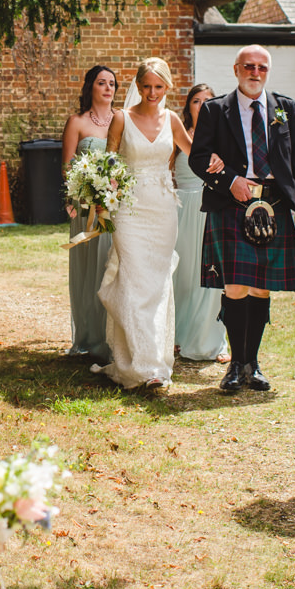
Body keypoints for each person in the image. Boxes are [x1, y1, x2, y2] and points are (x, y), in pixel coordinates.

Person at [188, 45, 295, 393]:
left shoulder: (284, 108)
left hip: (273, 203)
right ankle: (234, 365)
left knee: (261, 285)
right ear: (236, 69)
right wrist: (230, 180)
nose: (255, 72)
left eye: (262, 67)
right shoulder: (216, 110)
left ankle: (253, 363)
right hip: (231, 204)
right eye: (249, 66)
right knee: (235, 286)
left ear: (267, 71)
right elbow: (198, 157)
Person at [95, 57, 199, 389]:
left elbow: (194, 153)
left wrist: (220, 156)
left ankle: (153, 363)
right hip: (129, 209)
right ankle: (141, 366)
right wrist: (101, 197)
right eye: (146, 86)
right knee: (135, 279)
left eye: (159, 86)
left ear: (167, 87)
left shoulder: (171, 120)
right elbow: (109, 162)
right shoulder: (121, 118)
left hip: (163, 209)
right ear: (137, 86)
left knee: (157, 283)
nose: (152, 92)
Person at [60, 65, 117, 360]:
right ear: (90, 88)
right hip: (86, 208)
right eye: (101, 83)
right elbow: (68, 165)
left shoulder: (122, 121)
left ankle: (114, 337)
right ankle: (90, 338)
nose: (108, 88)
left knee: (112, 269)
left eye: (112, 83)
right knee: (90, 272)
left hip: (116, 208)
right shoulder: (77, 122)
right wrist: (83, 194)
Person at [173, 84, 230, 364]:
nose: (203, 105)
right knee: (182, 275)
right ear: (189, 107)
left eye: (209, 100)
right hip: (182, 211)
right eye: (197, 101)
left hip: (211, 210)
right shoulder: (178, 135)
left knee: (212, 278)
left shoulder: (224, 139)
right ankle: (177, 335)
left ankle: (214, 341)